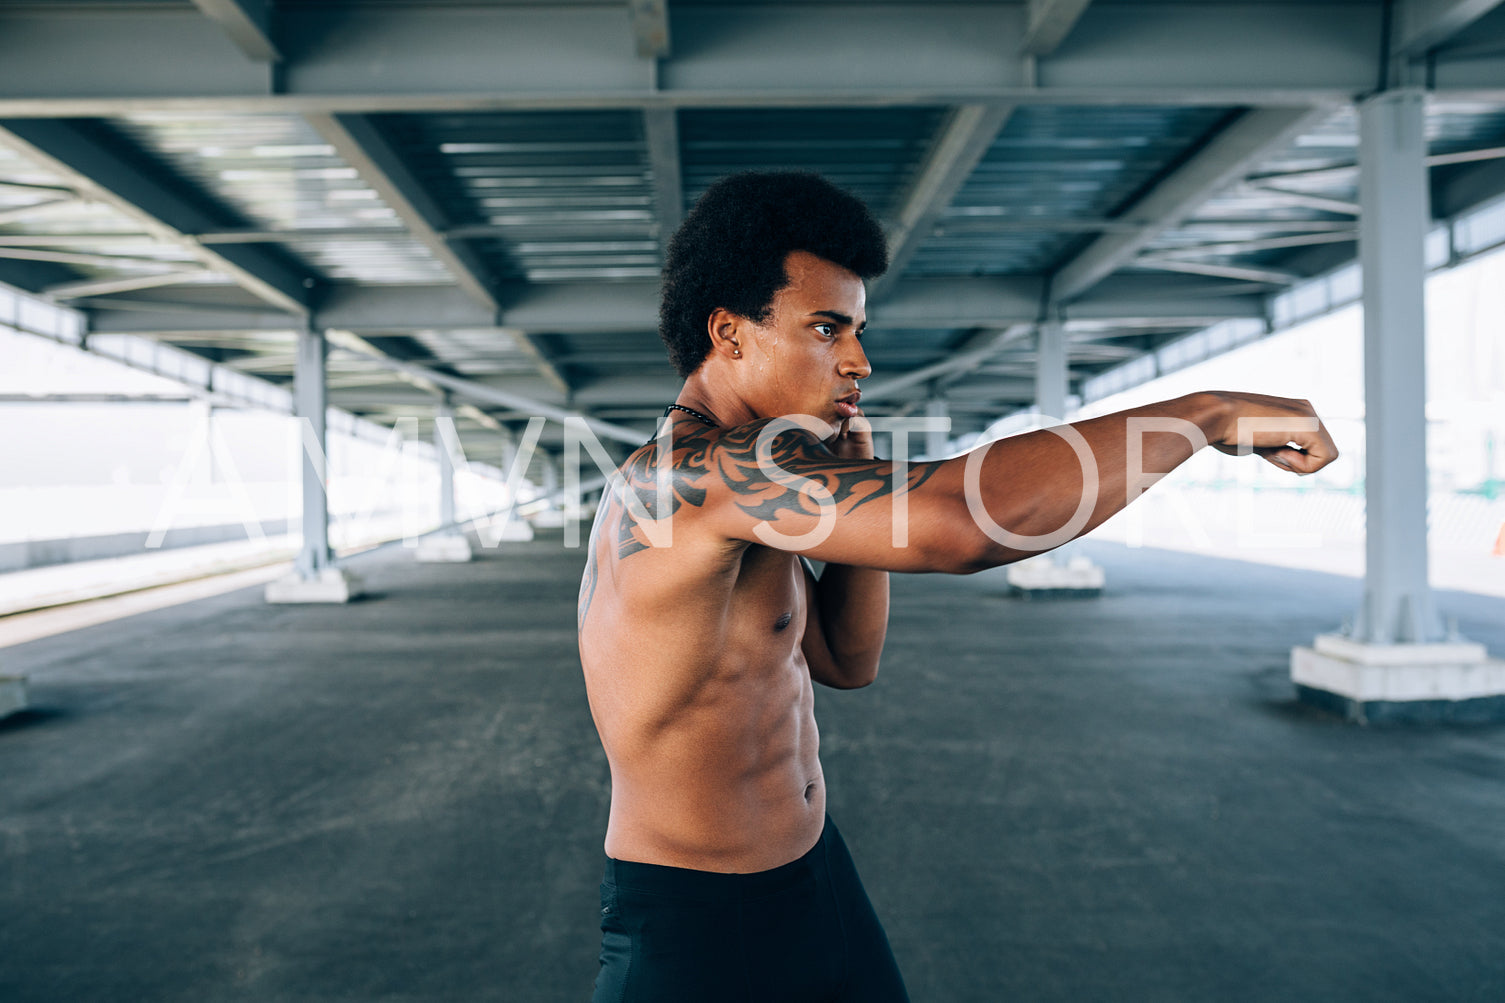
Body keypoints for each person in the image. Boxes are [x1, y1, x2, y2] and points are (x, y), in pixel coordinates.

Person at [577, 171, 1337, 1001]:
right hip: (698, 925)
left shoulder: (754, 485)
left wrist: (855, 471)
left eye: (857, 330)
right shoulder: (695, 474)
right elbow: (961, 523)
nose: (858, 359)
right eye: (826, 328)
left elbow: (842, 659)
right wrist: (1202, 414)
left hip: (812, 873)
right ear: (729, 332)